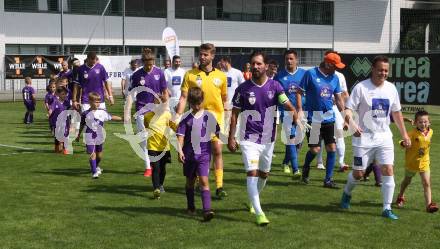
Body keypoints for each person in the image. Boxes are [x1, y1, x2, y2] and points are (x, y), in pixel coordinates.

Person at [228, 51, 299, 226]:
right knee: (252, 173)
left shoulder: (275, 86)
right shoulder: (242, 89)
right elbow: (234, 115)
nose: (256, 66)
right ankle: (259, 213)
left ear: (266, 66)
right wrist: (231, 137)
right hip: (248, 139)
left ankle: (254, 200)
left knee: (264, 174)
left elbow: (285, 102)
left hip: (268, 139)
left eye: (259, 63)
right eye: (253, 63)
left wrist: (294, 112)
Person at [340, 55, 411, 220]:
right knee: (358, 174)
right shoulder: (361, 88)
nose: (383, 73)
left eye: (386, 70)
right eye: (380, 70)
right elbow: (348, 109)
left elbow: (396, 112)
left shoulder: (391, 88)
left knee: (388, 169)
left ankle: (386, 208)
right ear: (372, 69)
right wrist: (351, 123)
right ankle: (347, 193)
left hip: (384, 137)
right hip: (363, 138)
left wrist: (404, 134)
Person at [175, 43, 228, 199]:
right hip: (196, 119)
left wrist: (229, 115)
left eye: (206, 54)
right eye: (201, 54)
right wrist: (178, 115)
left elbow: (224, 99)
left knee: (217, 150)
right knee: (197, 152)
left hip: (216, 118)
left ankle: (219, 186)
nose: (202, 57)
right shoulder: (190, 75)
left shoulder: (221, 76)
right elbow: (184, 97)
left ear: (212, 56)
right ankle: (200, 181)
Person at [299, 52, 346, 188]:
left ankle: (328, 180)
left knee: (332, 148)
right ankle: (306, 167)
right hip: (313, 119)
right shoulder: (310, 74)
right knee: (315, 150)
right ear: (328, 63)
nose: (337, 68)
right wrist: (300, 109)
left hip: (329, 119)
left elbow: (338, 98)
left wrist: (345, 116)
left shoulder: (335, 78)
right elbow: (299, 91)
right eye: (335, 65)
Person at [177, 86, 219, 221]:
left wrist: (231, 139)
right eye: (193, 103)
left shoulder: (209, 117)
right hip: (189, 155)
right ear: (189, 102)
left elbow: (218, 131)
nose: (196, 106)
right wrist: (179, 151)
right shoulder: (185, 118)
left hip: (204, 155)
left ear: (202, 101)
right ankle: (191, 206)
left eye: (198, 103)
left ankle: (207, 210)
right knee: (190, 182)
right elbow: (180, 137)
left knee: (204, 180)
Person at [128, 48, 168, 177]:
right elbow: (131, 94)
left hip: (157, 112)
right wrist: (127, 111)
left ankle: (158, 161)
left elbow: (165, 91)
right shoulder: (136, 75)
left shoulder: (160, 73)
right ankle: (148, 167)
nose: (149, 65)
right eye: (147, 63)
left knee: (156, 139)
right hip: (141, 111)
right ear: (143, 62)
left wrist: (164, 101)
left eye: (151, 63)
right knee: (144, 140)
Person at [396, 111, 438, 213]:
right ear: (415, 123)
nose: (423, 124)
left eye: (425, 122)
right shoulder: (412, 133)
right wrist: (404, 144)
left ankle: (429, 205)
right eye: (420, 122)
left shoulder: (431, 132)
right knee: (407, 181)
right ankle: (400, 196)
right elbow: (401, 143)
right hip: (412, 162)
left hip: (424, 162)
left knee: (426, 183)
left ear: (429, 122)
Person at [275, 49, 306, 177]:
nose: (289, 61)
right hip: (286, 112)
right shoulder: (279, 76)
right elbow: (278, 95)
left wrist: (302, 110)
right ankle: (295, 169)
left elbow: (308, 91)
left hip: (302, 111)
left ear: (296, 60)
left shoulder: (304, 74)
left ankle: (285, 162)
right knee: (291, 138)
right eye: (287, 59)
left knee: (299, 141)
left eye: (291, 58)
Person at [77, 92, 122, 178]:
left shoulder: (102, 112)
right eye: (96, 101)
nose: (98, 103)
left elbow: (111, 117)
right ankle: (94, 172)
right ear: (90, 102)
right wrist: (78, 135)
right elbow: (82, 125)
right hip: (89, 135)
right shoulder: (85, 113)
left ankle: (96, 166)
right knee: (92, 154)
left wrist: (122, 118)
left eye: (99, 102)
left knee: (99, 156)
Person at [315, 66, 350, 172]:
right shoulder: (315, 74)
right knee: (319, 136)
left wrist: (342, 106)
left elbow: (345, 94)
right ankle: (319, 162)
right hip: (320, 109)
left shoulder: (339, 76)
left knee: (339, 135)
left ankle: (341, 162)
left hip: (335, 109)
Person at [144, 92, 175, 199]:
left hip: (164, 147)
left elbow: (174, 127)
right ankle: (156, 188)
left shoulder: (167, 115)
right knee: (156, 168)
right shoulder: (147, 116)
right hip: (152, 147)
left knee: (163, 168)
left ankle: (161, 184)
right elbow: (146, 127)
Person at [220, 56, 245, 135]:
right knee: (224, 122)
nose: (220, 64)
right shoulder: (220, 73)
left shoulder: (237, 72)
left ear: (226, 62)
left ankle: (235, 138)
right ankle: (225, 138)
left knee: (235, 121)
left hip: (234, 103)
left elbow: (243, 86)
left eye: (222, 62)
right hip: (223, 103)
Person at [49, 86, 70, 154]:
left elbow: (71, 108)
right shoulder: (55, 102)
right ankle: (56, 148)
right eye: (63, 94)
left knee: (65, 135)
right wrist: (50, 112)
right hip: (57, 123)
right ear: (58, 94)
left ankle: (64, 149)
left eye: (65, 94)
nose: (64, 96)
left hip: (65, 122)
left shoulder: (67, 102)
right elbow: (51, 109)